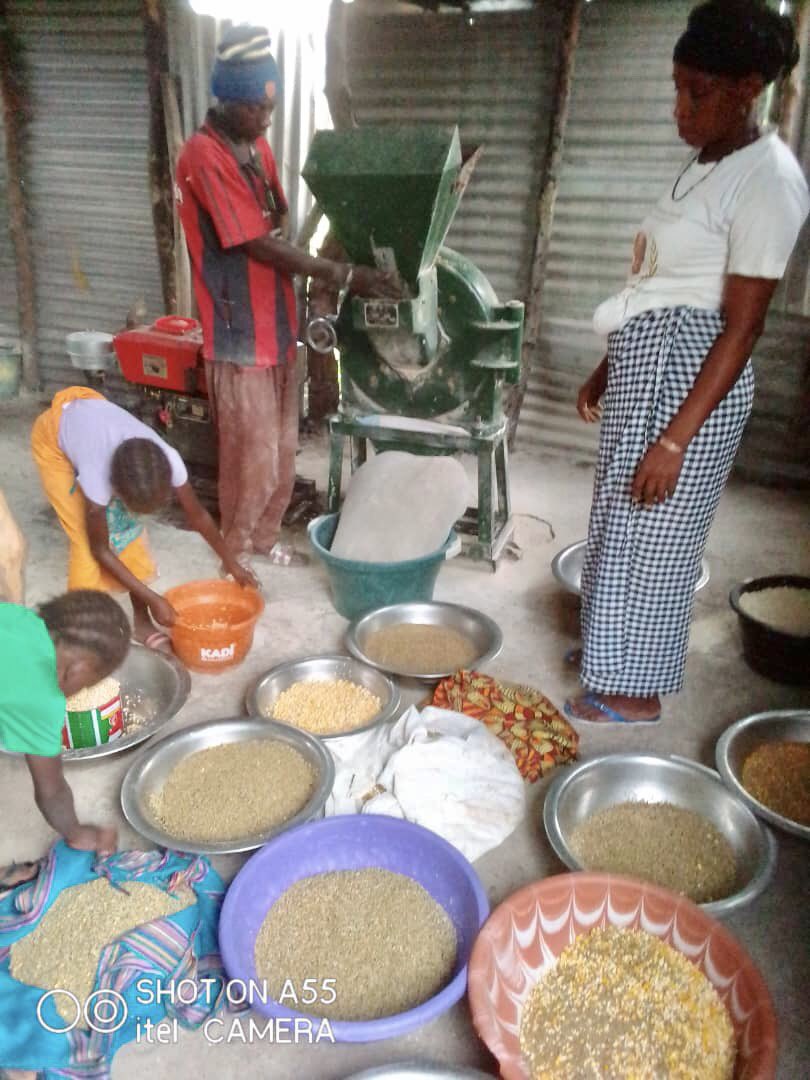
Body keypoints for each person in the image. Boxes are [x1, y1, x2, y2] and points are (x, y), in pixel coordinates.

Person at [566, 0, 809, 726]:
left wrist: (674, 440)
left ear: (748, 88)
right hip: (650, 365)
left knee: (658, 540)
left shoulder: (768, 178)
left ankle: (634, 694)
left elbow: (744, 323)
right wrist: (610, 365)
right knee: (619, 519)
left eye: (696, 92)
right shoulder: (709, 160)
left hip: (692, 379)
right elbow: (659, 282)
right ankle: (611, 653)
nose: (680, 107)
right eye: (676, 87)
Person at [175, 26, 400, 567]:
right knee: (249, 458)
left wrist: (316, 263)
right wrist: (345, 275)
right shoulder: (203, 157)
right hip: (239, 332)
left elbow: (278, 221)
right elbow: (257, 243)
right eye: (257, 108)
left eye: (270, 107)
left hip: (277, 325)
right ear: (227, 100)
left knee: (280, 452)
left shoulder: (256, 148)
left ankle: (265, 539)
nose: (266, 118)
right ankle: (236, 552)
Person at [31, 386, 256, 648]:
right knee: (83, 541)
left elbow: (199, 517)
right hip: (53, 438)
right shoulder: (97, 476)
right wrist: (152, 597)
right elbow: (100, 549)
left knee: (127, 532)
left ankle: (141, 622)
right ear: (115, 487)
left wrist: (231, 563)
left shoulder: (168, 459)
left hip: (92, 409)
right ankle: (75, 631)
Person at [0, 589, 130, 888]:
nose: (82, 692)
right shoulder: (40, 697)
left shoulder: (21, 620)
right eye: (89, 684)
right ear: (76, 672)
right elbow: (51, 792)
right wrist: (79, 833)